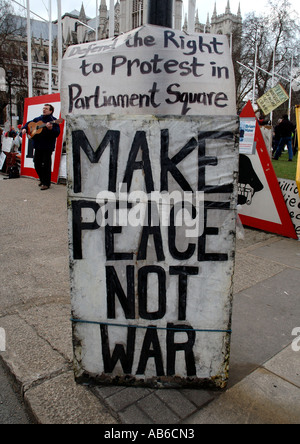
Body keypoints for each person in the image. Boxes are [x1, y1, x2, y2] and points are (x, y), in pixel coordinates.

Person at [22, 104, 60, 190]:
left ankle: (46, 183)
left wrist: (50, 129)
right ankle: (43, 180)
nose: (44, 110)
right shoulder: (38, 119)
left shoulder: (54, 121)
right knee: (37, 163)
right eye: (43, 108)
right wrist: (24, 128)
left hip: (47, 146)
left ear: (51, 111)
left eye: (46, 109)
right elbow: (28, 123)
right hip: (38, 145)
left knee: (46, 165)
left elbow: (57, 133)